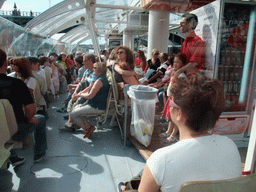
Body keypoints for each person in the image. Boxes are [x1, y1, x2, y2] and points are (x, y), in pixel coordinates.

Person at [119, 74, 242, 192]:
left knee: (132, 183)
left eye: (170, 102)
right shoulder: (231, 147)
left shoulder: (162, 160)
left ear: (179, 113)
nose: (168, 105)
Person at [0, 49, 47, 164]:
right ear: (5, 64)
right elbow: (30, 109)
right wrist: (28, 119)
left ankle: (13, 157)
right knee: (40, 119)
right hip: (13, 131)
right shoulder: (17, 84)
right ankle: (39, 153)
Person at [64, 62, 110, 138]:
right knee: (76, 109)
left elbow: (90, 96)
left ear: (99, 70)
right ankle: (89, 128)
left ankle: (88, 128)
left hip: (97, 107)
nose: (93, 69)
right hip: (97, 104)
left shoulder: (99, 81)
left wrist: (80, 94)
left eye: (94, 68)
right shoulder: (102, 78)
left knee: (72, 114)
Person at [160, 53, 187, 143]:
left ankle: (173, 134)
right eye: (174, 62)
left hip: (176, 99)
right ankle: (168, 131)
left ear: (183, 64)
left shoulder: (182, 75)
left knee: (175, 117)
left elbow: (181, 87)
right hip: (171, 98)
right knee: (171, 116)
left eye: (178, 62)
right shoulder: (174, 72)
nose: (175, 64)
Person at [174, 13, 205, 79]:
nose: (180, 26)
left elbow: (194, 63)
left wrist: (178, 71)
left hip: (192, 80)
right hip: (184, 78)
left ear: (189, 25)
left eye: (182, 23)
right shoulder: (185, 42)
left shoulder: (198, 42)